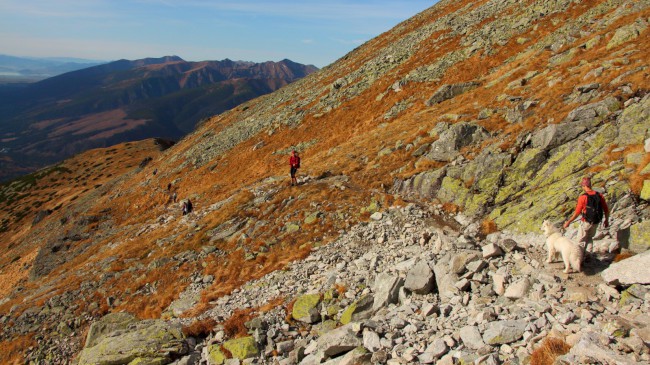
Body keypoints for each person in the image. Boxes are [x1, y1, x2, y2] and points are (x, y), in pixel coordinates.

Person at [563, 177, 609, 257]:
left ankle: (579, 257)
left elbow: (577, 213)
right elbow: (606, 210)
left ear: (584, 186)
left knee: (581, 240)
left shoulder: (583, 197)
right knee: (590, 238)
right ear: (590, 185)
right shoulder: (599, 195)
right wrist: (606, 220)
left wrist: (568, 222)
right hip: (596, 221)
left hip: (586, 221)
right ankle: (588, 255)